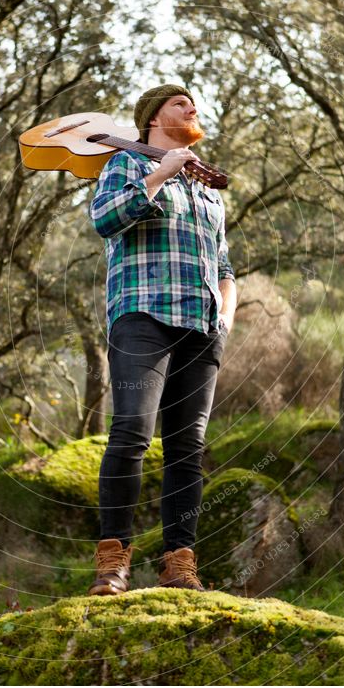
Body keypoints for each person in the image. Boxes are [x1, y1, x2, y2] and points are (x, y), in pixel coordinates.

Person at [87, 83, 236, 595]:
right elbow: (105, 220)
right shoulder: (126, 163)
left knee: (187, 448)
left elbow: (223, 262)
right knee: (131, 431)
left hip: (202, 327)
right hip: (142, 315)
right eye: (180, 101)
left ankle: (179, 566)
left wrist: (227, 311)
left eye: (195, 101)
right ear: (153, 116)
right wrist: (158, 173)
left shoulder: (207, 188)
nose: (192, 105)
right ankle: (113, 564)